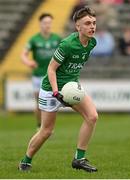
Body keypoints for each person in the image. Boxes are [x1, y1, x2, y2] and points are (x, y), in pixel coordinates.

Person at [19, 7, 98, 173]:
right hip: (51, 89)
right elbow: (51, 69)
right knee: (46, 131)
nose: (92, 26)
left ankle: (79, 159)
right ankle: (26, 160)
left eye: (94, 23)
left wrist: (71, 87)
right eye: (87, 23)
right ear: (78, 26)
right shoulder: (67, 44)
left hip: (70, 87)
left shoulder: (92, 43)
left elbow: (73, 67)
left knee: (92, 116)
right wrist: (56, 92)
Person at [21, 13, 61, 128]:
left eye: (49, 23)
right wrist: (28, 62)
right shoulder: (34, 39)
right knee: (39, 104)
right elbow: (23, 54)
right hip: (38, 76)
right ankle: (40, 126)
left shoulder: (57, 38)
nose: (47, 25)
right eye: (45, 23)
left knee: (52, 103)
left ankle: (48, 127)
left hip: (52, 76)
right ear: (40, 24)